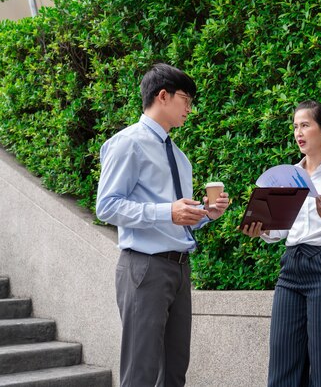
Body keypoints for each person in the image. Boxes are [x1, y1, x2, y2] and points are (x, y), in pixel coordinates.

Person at [96, 63, 229, 387]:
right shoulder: (128, 143)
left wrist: (205, 215)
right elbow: (107, 206)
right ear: (163, 95)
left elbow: (178, 218)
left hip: (180, 270)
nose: (190, 108)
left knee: (174, 373)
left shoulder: (181, 158)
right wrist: (166, 212)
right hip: (144, 268)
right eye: (186, 98)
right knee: (140, 371)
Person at [242, 100, 321, 387]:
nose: (299, 132)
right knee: (283, 361)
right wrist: (261, 230)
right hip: (291, 267)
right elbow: (279, 231)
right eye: (296, 126)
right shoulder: (287, 177)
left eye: (305, 125)